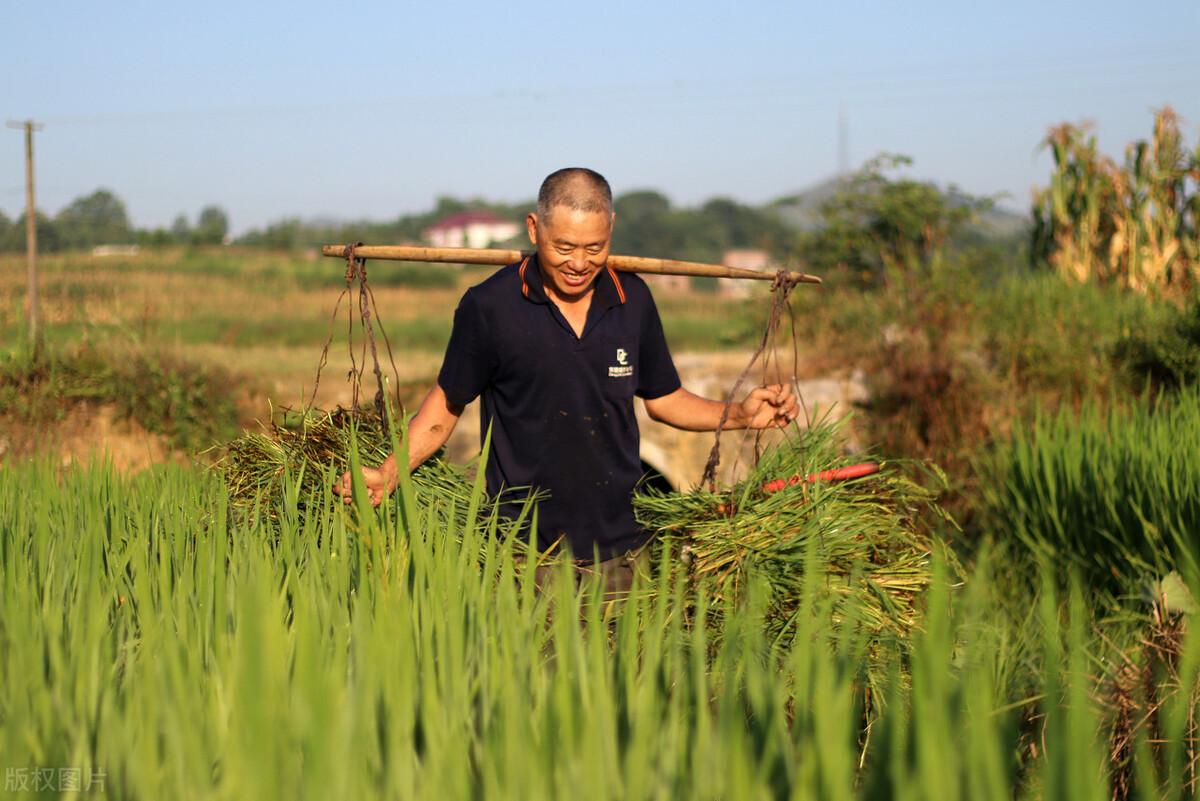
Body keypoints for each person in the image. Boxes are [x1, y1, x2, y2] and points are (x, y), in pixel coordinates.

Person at [335, 167, 797, 592]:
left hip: (620, 552)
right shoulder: (490, 307)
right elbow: (445, 407)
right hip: (523, 554)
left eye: (595, 248)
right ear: (534, 229)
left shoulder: (631, 299)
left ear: (611, 228)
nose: (579, 262)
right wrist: (389, 474)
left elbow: (664, 399)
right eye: (564, 248)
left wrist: (740, 414)